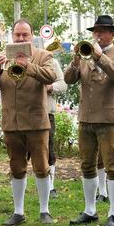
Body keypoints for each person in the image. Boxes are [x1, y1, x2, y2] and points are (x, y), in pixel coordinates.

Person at [0, 19, 58, 226]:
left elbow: (51, 76)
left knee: (41, 167)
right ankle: (18, 211)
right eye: (17, 35)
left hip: (36, 122)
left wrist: (30, 66)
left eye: (24, 35)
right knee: (16, 167)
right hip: (12, 123)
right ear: (12, 36)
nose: (20, 38)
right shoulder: (1, 57)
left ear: (32, 35)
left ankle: (44, 211)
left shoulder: (43, 55)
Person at [65, 15, 114, 226]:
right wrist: (76, 60)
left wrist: (100, 57)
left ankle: (113, 213)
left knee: (113, 166)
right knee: (86, 165)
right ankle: (90, 210)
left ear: (113, 34)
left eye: (103, 31)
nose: (98, 35)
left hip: (110, 119)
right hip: (86, 117)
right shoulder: (84, 56)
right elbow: (68, 79)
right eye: (96, 31)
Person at [46, 49, 68, 199]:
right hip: (23, 114)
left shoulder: (52, 62)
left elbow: (63, 84)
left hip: (46, 113)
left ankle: (50, 186)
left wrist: (51, 87)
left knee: (48, 151)